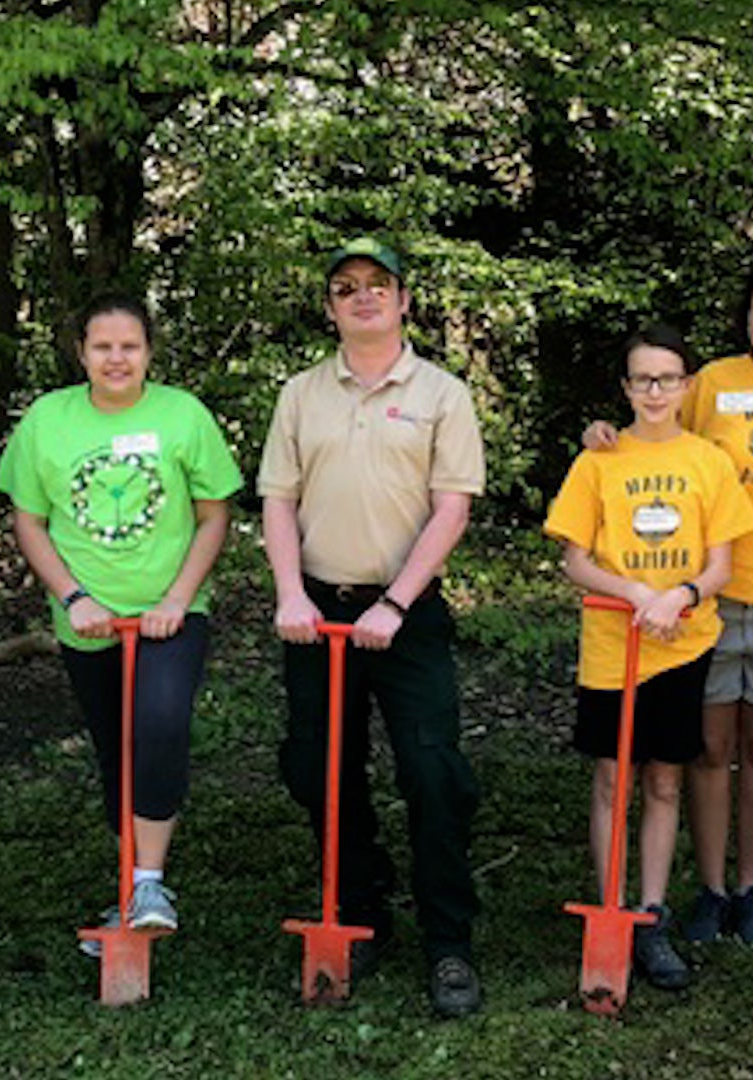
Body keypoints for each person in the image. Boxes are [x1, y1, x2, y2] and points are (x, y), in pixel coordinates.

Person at [585, 258, 753, 944]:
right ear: (746, 318)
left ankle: (749, 887)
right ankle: (706, 888)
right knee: (706, 748)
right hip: (701, 596)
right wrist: (602, 438)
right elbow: (659, 441)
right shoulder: (715, 383)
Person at [258, 237, 488, 1017]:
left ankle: (448, 942)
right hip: (316, 610)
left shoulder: (441, 394)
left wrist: (395, 603)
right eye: (347, 287)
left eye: (379, 286)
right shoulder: (300, 394)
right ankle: (359, 910)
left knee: (433, 773)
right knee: (317, 767)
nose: (363, 297)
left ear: (404, 301)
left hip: (407, 613)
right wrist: (290, 592)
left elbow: (451, 505)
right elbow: (279, 501)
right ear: (330, 307)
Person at [0, 295, 241, 945]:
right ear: (81, 353)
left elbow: (216, 515)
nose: (116, 358)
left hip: (171, 614)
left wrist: (177, 600)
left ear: (150, 350)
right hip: (89, 621)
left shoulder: (182, 415)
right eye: (102, 347)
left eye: (129, 345)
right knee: (115, 752)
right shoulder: (48, 419)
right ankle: (130, 884)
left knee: (159, 727)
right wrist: (75, 598)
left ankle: (150, 883)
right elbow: (29, 520)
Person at [543, 324, 753, 990]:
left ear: (687, 386)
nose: (656, 390)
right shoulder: (600, 460)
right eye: (643, 379)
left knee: (666, 778)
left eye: (668, 378)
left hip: (678, 646)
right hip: (613, 646)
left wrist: (681, 595)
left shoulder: (709, 460)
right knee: (613, 777)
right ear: (626, 387)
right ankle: (609, 905)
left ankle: (651, 914)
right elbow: (575, 557)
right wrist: (636, 591)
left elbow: (722, 562)